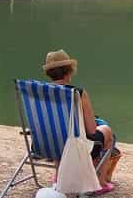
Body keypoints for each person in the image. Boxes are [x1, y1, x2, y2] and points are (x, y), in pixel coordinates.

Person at [42, 49, 116, 195]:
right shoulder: (77, 93)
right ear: (69, 71)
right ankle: (100, 182)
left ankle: (58, 176)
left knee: (59, 133)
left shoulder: (40, 92)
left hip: (46, 145)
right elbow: (92, 130)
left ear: (49, 73)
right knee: (107, 131)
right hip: (73, 149)